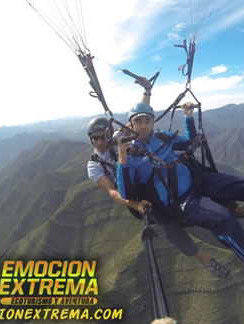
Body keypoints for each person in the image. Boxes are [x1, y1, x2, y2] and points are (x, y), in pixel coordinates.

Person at [116, 101, 244, 304]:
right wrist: (122, 161)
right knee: (226, 222)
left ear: (153, 122)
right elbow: (127, 195)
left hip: (200, 181)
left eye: (147, 120)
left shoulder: (164, 138)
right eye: (138, 121)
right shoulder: (131, 157)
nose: (143, 125)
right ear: (131, 125)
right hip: (182, 201)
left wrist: (189, 117)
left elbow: (191, 143)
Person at [86, 84, 230, 279]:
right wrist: (136, 204)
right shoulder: (94, 165)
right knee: (167, 224)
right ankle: (204, 258)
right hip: (134, 195)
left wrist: (147, 90)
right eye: (96, 138)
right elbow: (113, 192)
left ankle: (233, 208)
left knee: (196, 177)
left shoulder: (120, 139)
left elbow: (140, 116)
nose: (101, 141)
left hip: (148, 179)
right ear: (91, 139)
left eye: (104, 136)